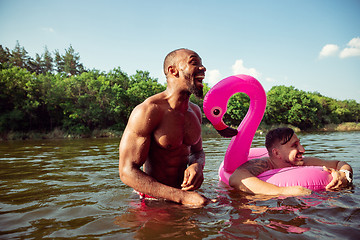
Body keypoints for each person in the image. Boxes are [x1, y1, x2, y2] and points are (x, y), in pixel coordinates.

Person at [119, 48, 209, 206]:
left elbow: (198, 151)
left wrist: (197, 165)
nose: (203, 68)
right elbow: (127, 171)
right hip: (150, 200)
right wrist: (182, 197)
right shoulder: (148, 110)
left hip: (184, 195)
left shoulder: (195, 111)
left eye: (202, 64)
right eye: (194, 63)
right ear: (173, 70)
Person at [229, 127, 353, 196]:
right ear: (276, 153)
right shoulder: (264, 164)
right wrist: (282, 191)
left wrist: (345, 174)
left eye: (300, 143)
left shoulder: (305, 162)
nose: (303, 150)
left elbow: (339, 163)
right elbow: (236, 178)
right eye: (295, 146)